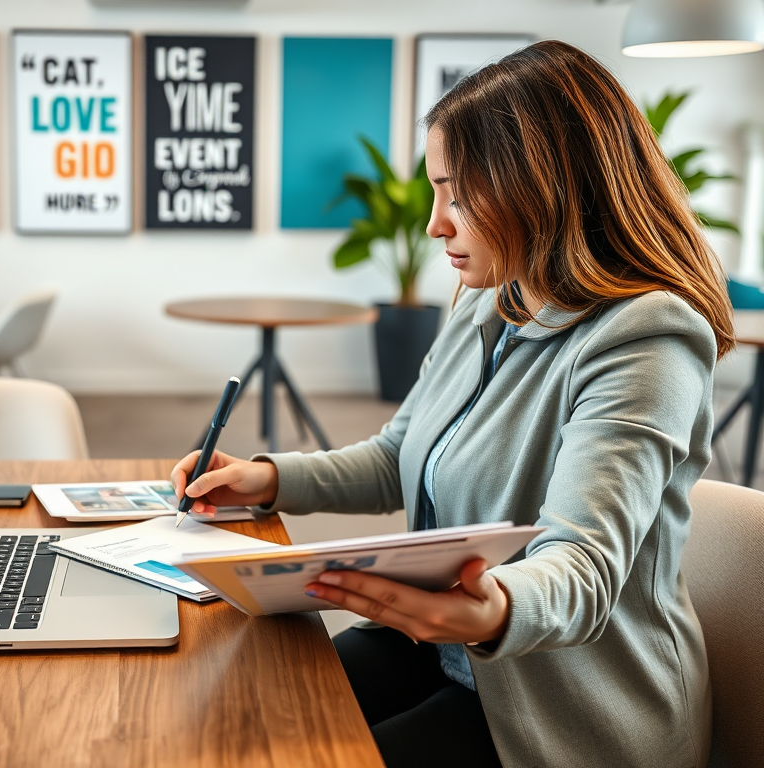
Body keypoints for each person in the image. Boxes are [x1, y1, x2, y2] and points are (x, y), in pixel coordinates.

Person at [171, 40, 732, 768]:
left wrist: (495, 607)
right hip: (447, 649)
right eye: (438, 190)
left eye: (459, 194)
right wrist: (270, 478)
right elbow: (401, 454)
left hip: (562, 702)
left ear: (543, 187)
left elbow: (582, 565)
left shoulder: (645, 336)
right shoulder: (487, 298)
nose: (437, 223)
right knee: (246, 696)